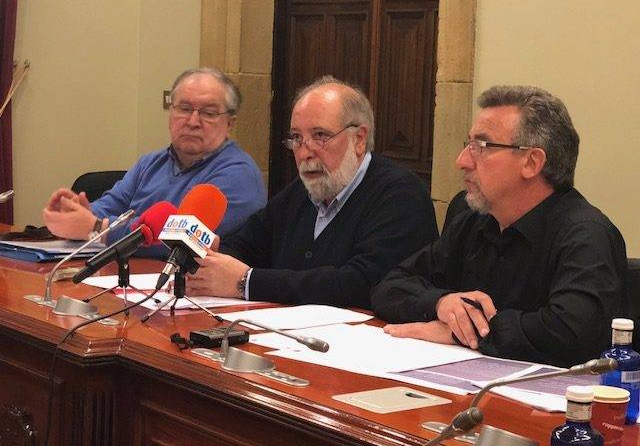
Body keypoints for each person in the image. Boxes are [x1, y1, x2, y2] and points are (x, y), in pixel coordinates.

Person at [371, 85, 629, 368]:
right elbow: (388, 286)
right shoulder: (472, 221)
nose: (461, 161)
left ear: (531, 162)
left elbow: (571, 335)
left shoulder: (586, 235)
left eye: (480, 147)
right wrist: (441, 303)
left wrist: (466, 332)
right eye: (467, 145)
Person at [185, 76, 438, 309]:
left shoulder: (401, 195)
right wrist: (214, 262)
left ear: (359, 139)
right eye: (296, 138)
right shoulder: (303, 190)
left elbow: (362, 283)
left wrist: (246, 281)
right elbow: (248, 242)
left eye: (320, 136)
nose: (305, 152)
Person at [43, 67, 266, 257]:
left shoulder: (240, 175)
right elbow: (112, 204)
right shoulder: (150, 163)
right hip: (122, 278)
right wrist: (76, 214)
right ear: (171, 113)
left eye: (208, 113)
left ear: (229, 124)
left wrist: (96, 228)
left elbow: (177, 240)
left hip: (188, 288)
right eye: (184, 109)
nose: (193, 121)